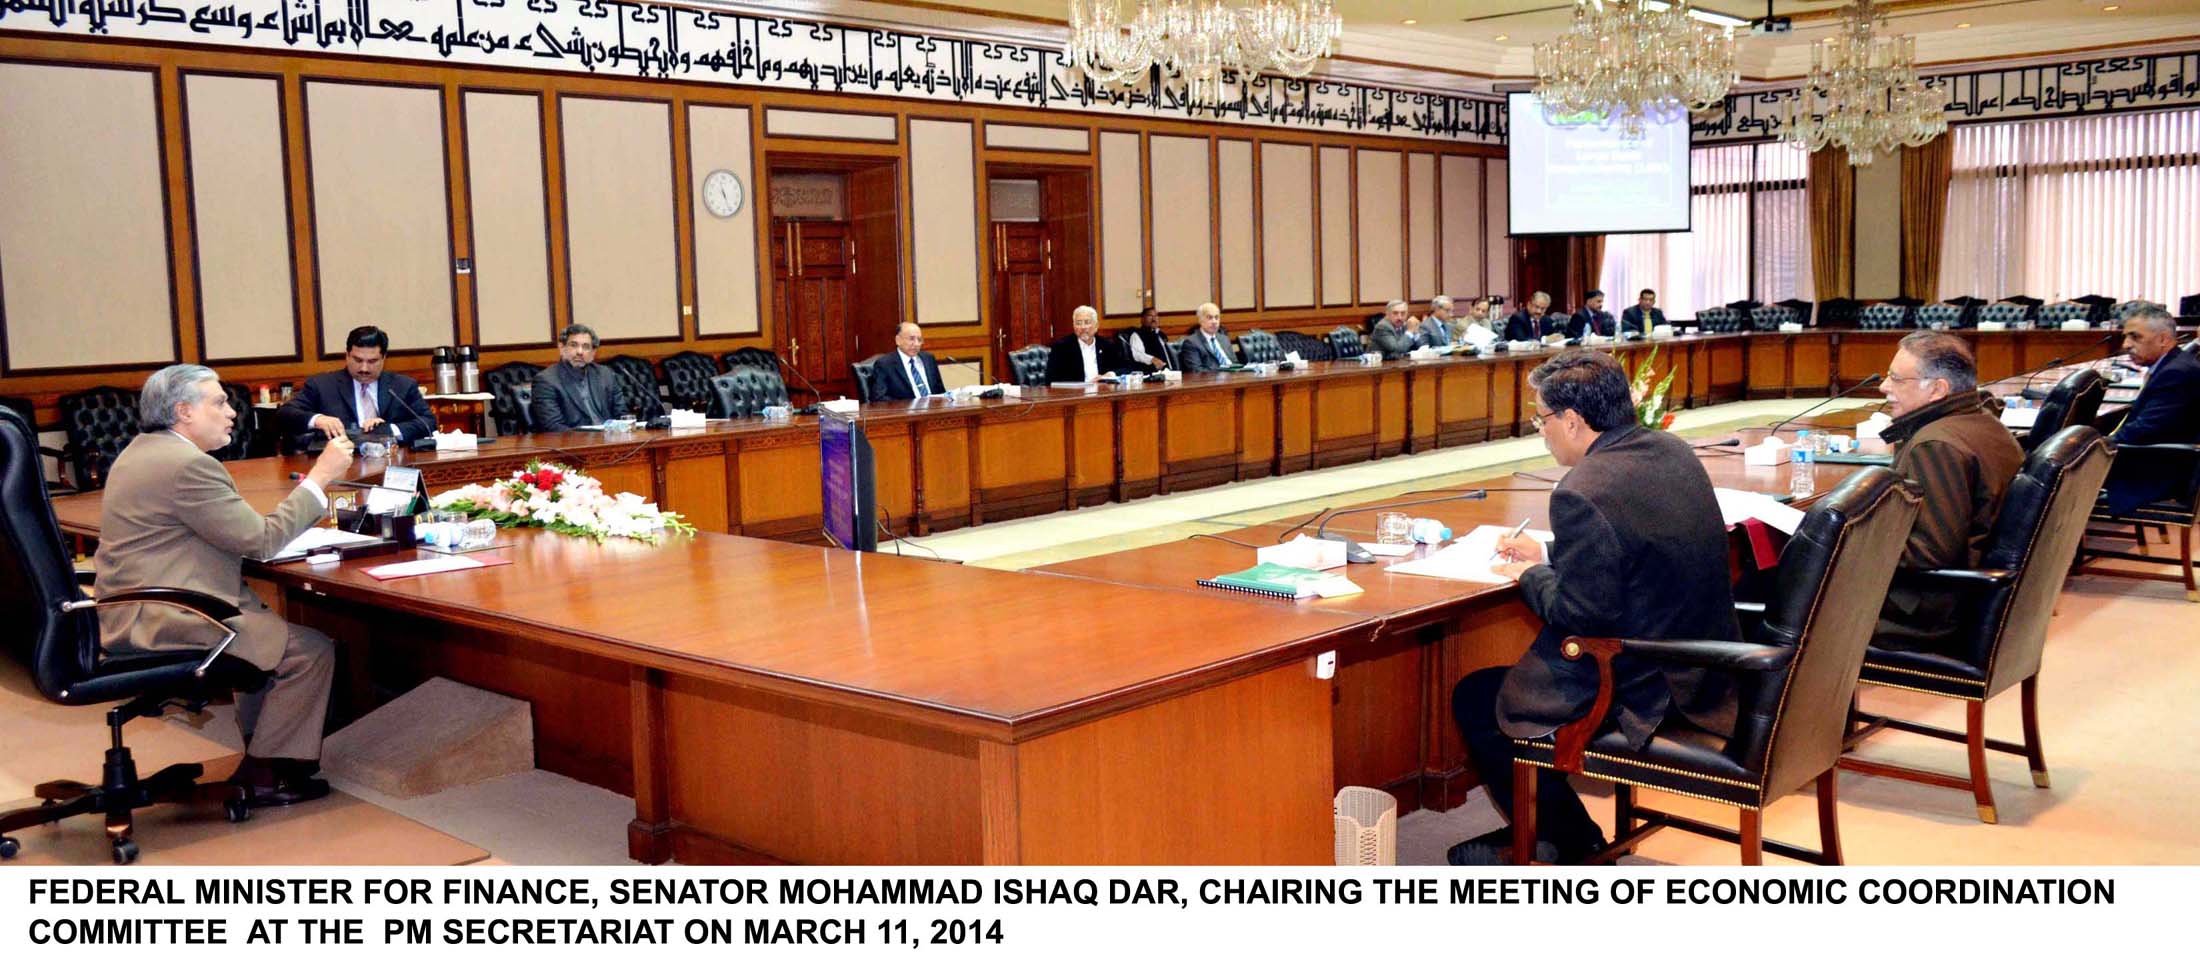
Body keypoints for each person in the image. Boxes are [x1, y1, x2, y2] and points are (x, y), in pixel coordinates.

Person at [1448, 350, 1739, 865]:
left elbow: (1581, 616)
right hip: (1703, 666)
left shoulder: (1582, 489)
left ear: (1573, 421)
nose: (1540, 430)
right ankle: (1555, 829)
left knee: (1479, 698)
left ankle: (1567, 837)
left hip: (1642, 681)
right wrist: (1550, 552)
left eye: (1541, 418)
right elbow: (1641, 546)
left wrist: (1529, 575)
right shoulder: (1671, 451)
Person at [97, 365, 356, 806]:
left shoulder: (142, 451)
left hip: (130, 605)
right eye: (218, 402)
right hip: (166, 615)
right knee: (309, 651)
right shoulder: (187, 466)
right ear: (183, 412)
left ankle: (263, 750)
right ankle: (266, 772)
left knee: (265, 629)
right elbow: (261, 540)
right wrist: (320, 477)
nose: (232, 412)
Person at [1871, 332, 2025, 648]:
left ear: (1938, 389)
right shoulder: (1983, 422)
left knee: (1779, 587)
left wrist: (1848, 543)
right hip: (1969, 594)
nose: (1884, 387)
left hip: (1926, 611)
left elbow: (1929, 552)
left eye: (1897, 379)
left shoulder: (1935, 445)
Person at [2100, 303, 2200, 514]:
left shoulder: (2176, 373)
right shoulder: (2174, 364)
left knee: (2054, 477)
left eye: (2135, 337)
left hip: (2158, 470)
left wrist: (2098, 447)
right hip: (2159, 459)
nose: (2126, 344)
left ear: (2163, 339)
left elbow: (2147, 428)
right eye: (2125, 337)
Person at [275, 325, 434, 446]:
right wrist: (318, 419)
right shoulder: (322, 385)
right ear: (347, 355)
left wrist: (389, 431)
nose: (364, 368)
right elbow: (285, 414)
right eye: (357, 360)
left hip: (391, 464)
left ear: (384, 358)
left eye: (372, 361)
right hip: (338, 467)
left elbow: (428, 422)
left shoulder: (402, 386)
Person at [530, 324, 628, 432]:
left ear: (593, 352)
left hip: (612, 441)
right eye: (573, 345)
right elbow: (554, 427)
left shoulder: (605, 374)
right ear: (562, 348)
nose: (580, 352)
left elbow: (622, 415)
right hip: (574, 444)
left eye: (586, 347)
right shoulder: (546, 380)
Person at [1046, 305, 1136, 383]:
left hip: (1103, 393)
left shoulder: (1107, 345)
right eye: (1078, 323)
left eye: (1087, 322)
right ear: (1073, 326)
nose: (1083, 327)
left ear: (1096, 326)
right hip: (1075, 396)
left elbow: (1127, 367)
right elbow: (1051, 378)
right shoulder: (1062, 347)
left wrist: (1110, 374)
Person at [869, 322, 948, 402]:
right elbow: (879, 398)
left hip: (934, 410)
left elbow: (940, 391)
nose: (916, 344)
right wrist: (911, 405)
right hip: (906, 412)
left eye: (919, 340)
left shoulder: (928, 359)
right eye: (911, 339)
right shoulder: (885, 364)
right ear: (898, 340)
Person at [1179, 303, 1238, 373]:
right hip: (1212, 381)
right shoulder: (1191, 342)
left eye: (1216, 318)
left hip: (1234, 377)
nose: (1214, 322)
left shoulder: (1224, 339)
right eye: (1210, 318)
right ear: (1200, 320)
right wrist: (1223, 371)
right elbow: (1196, 370)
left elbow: (1235, 363)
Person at [1122, 307, 1175, 373]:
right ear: (1142, 319)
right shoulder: (1137, 335)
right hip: (1149, 372)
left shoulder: (1160, 334)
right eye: (1150, 316)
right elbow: (1138, 354)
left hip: (1167, 371)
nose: (1154, 319)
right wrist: (1152, 359)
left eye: (1156, 316)